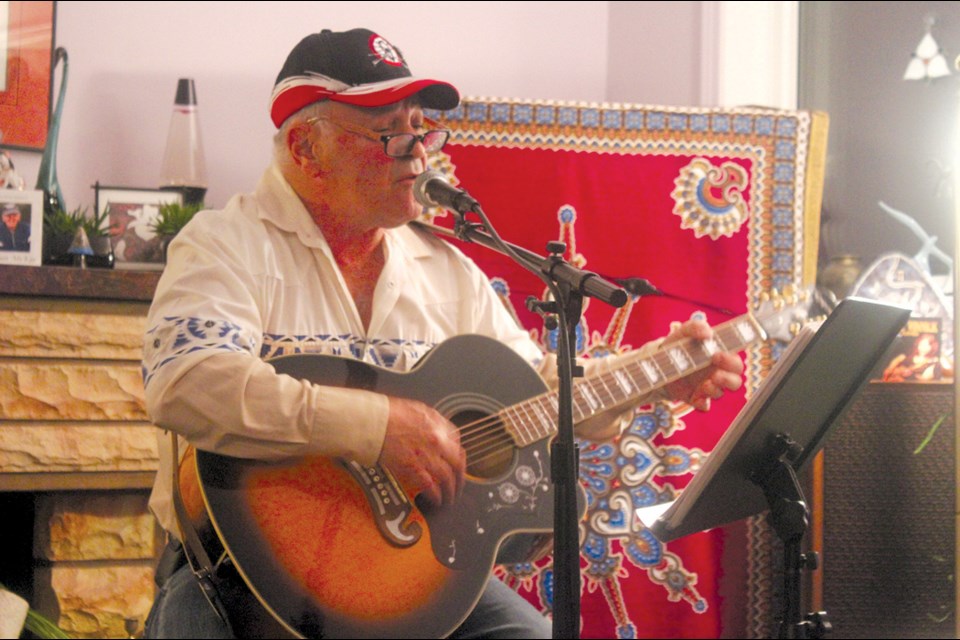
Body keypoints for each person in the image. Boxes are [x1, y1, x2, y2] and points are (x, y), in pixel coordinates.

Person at [141, 28, 744, 640]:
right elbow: (186, 382)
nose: (419, 153)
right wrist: (376, 429)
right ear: (305, 148)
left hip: (412, 579)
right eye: (390, 134)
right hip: (239, 575)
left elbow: (534, 393)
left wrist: (656, 372)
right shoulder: (224, 245)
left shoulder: (446, 268)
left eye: (422, 129)